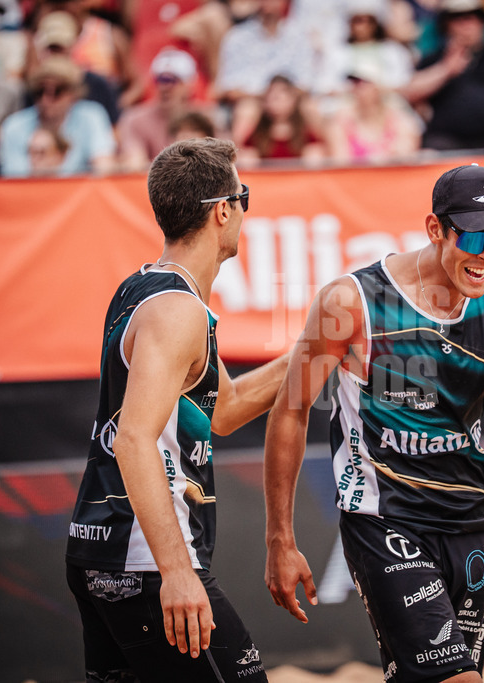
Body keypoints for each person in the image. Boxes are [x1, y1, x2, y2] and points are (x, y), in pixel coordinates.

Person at [264, 164, 484, 683]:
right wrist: (279, 538)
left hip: (470, 523)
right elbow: (290, 412)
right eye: (475, 236)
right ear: (435, 229)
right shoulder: (351, 302)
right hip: (385, 520)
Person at [66, 137, 286, 683]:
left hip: (100, 549)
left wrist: (315, 353)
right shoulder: (178, 312)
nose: (244, 211)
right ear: (222, 211)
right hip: (145, 562)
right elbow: (134, 441)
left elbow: (224, 411)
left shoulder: (143, 288)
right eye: (244, 197)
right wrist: (177, 571)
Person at [402, 0, 484, 151]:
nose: (467, 26)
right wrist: (445, 70)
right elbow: (410, 92)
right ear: (447, 26)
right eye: (459, 20)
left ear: (482, 24)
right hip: (447, 140)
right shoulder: (434, 59)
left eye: (472, 19)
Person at [0, 55, 116, 176]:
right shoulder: (13, 126)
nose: (46, 99)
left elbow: (104, 169)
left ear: (73, 93)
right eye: (40, 91)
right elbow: (13, 180)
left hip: (79, 193)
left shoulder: (92, 116)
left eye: (57, 91)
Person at [118, 48, 207, 171]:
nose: (165, 87)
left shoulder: (205, 118)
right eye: (160, 79)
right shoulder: (134, 119)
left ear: (190, 85)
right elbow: (134, 164)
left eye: (173, 80)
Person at [324, 60, 422, 163]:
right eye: (354, 82)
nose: (357, 87)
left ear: (378, 86)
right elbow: (341, 161)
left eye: (363, 82)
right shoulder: (341, 120)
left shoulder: (400, 119)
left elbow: (406, 154)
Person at [237, 74, 325, 165]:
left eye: (278, 97)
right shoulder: (258, 132)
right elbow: (242, 150)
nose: (274, 101)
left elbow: (319, 148)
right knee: (247, 157)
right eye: (270, 96)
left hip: (298, 177)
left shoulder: (304, 131)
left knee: (314, 154)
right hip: (267, 177)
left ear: (293, 100)